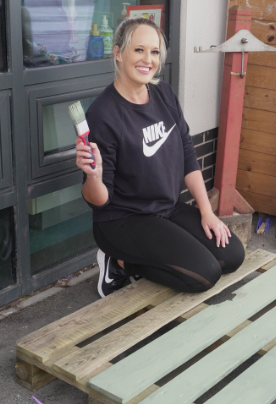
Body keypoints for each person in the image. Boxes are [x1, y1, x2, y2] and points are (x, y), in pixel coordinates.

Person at [76, 17, 245, 298]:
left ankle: (137, 259)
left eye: (154, 52)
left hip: (166, 208)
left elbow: (188, 154)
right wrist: (93, 176)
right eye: (138, 50)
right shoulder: (104, 114)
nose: (148, 59)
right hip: (123, 219)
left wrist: (206, 212)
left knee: (231, 256)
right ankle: (119, 263)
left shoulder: (164, 94)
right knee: (205, 274)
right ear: (118, 54)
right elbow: (99, 200)